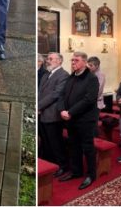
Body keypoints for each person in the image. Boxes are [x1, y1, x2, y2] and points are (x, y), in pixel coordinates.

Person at [58, 52, 100, 190]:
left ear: (84, 62)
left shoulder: (91, 78)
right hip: (70, 118)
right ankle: (76, 171)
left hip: (85, 120)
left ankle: (91, 175)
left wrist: (70, 112)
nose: (73, 62)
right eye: (72, 60)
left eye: (76, 60)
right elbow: (63, 95)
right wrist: (62, 110)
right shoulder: (72, 76)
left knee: (87, 148)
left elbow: (89, 99)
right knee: (74, 146)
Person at [38, 53, 68, 174]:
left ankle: (62, 165)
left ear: (59, 61)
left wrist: (39, 105)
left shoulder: (64, 75)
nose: (47, 61)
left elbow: (56, 94)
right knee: (46, 142)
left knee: (56, 142)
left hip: (53, 114)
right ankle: (50, 164)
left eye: (51, 59)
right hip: (43, 113)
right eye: (48, 58)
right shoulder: (46, 74)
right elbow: (40, 92)